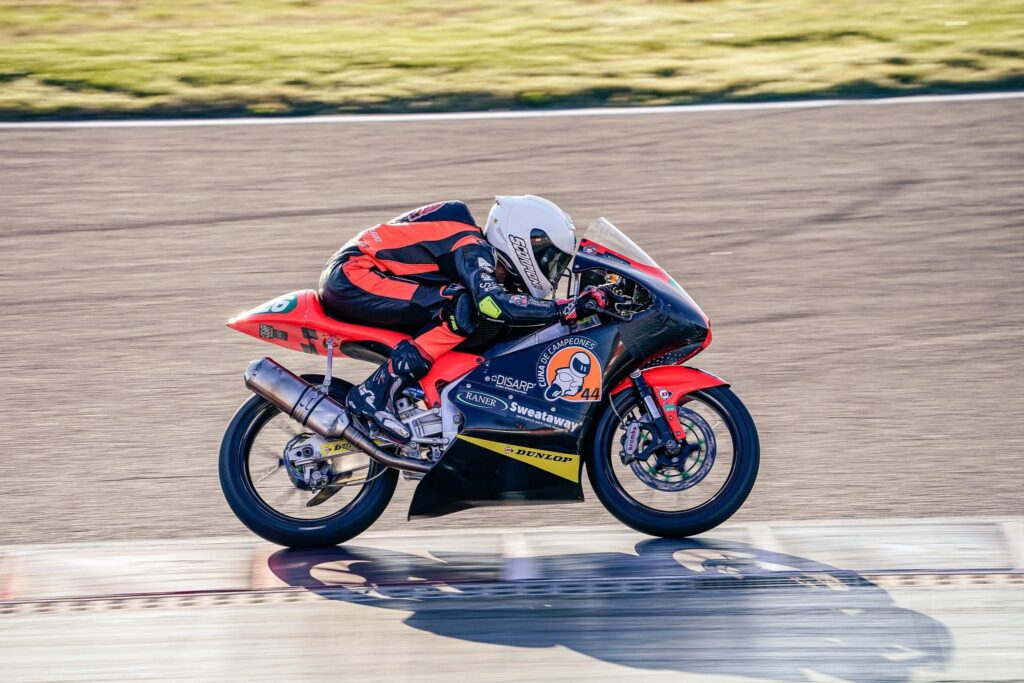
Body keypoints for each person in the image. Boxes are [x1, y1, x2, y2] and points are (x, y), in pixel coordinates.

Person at [318, 195, 607, 442]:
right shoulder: (472, 246)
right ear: (522, 241)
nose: (551, 269)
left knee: (478, 312)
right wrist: (565, 308)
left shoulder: (475, 249)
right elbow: (494, 303)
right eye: (550, 258)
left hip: (365, 277)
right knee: (464, 305)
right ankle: (371, 393)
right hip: (354, 275)